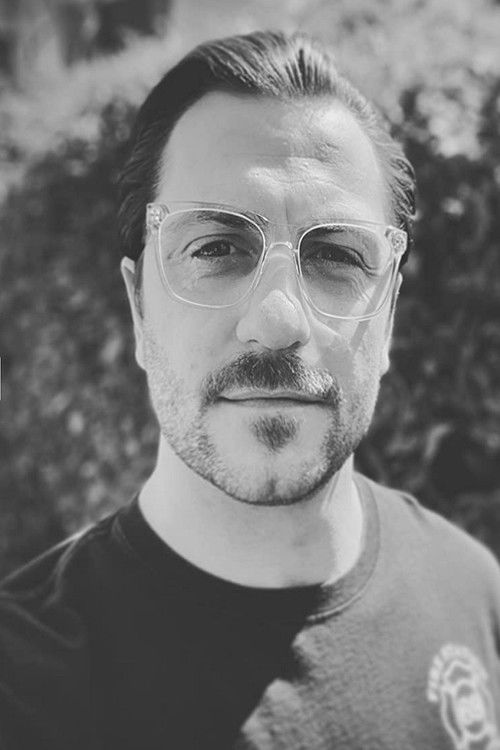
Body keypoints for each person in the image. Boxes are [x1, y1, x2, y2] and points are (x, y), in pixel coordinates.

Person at [1, 30, 499, 750]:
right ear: (139, 309)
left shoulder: (472, 596)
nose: (277, 321)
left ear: (388, 314)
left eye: (336, 255)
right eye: (216, 248)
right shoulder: (23, 687)